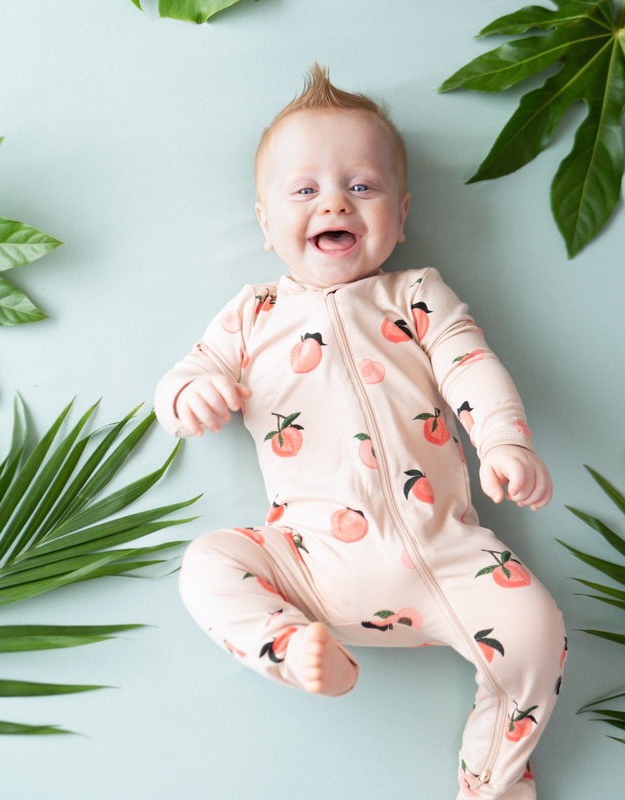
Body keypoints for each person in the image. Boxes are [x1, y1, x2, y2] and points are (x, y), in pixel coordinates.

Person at [154, 65, 566, 800]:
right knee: (207, 564)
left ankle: (493, 784)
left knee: (536, 635)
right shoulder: (251, 315)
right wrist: (194, 394)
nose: (334, 201)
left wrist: (505, 443)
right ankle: (295, 650)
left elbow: (472, 365)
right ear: (264, 221)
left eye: (362, 187)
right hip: (310, 566)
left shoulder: (416, 296)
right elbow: (184, 378)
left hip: (453, 558)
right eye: (305, 190)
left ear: (401, 215)